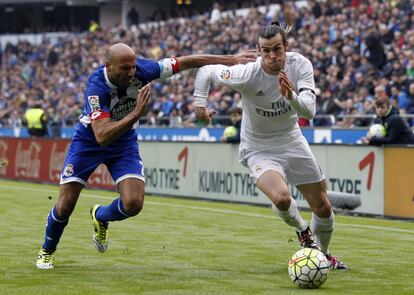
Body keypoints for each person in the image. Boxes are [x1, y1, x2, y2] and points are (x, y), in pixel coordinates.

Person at [35, 43, 257, 269]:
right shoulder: (96, 86)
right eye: (124, 68)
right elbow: (101, 135)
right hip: (89, 142)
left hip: (123, 143)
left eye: (132, 67)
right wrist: (136, 114)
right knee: (65, 205)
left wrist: (230, 59)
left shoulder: (144, 70)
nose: (131, 73)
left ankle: (101, 216)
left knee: (133, 203)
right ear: (108, 66)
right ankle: (47, 250)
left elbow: (186, 61)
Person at [193, 21, 349, 270]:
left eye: (277, 49)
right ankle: (303, 231)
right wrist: (200, 105)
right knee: (282, 198)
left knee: (322, 205)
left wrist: (290, 96)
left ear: (286, 46)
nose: (271, 56)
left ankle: (325, 256)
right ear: (259, 51)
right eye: (265, 51)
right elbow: (206, 72)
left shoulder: (300, 65)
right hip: (258, 147)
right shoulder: (246, 73)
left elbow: (309, 110)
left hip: (292, 139)